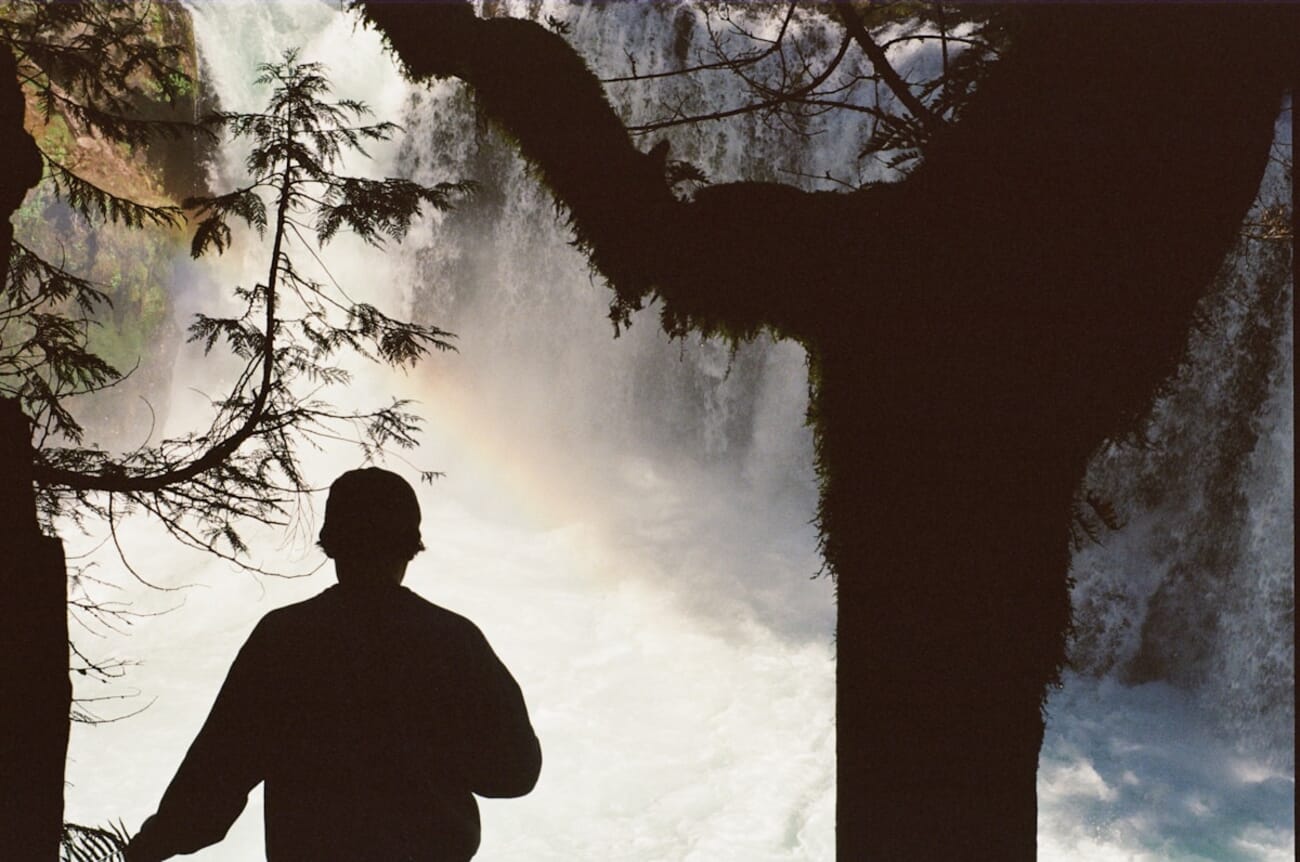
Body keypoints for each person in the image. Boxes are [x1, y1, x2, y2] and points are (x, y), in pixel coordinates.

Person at [127, 468, 542, 862]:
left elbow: (219, 771)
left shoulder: (285, 638)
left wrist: (150, 846)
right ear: (410, 548)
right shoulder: (454, 640)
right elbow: (517, 773)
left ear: (332, 544)